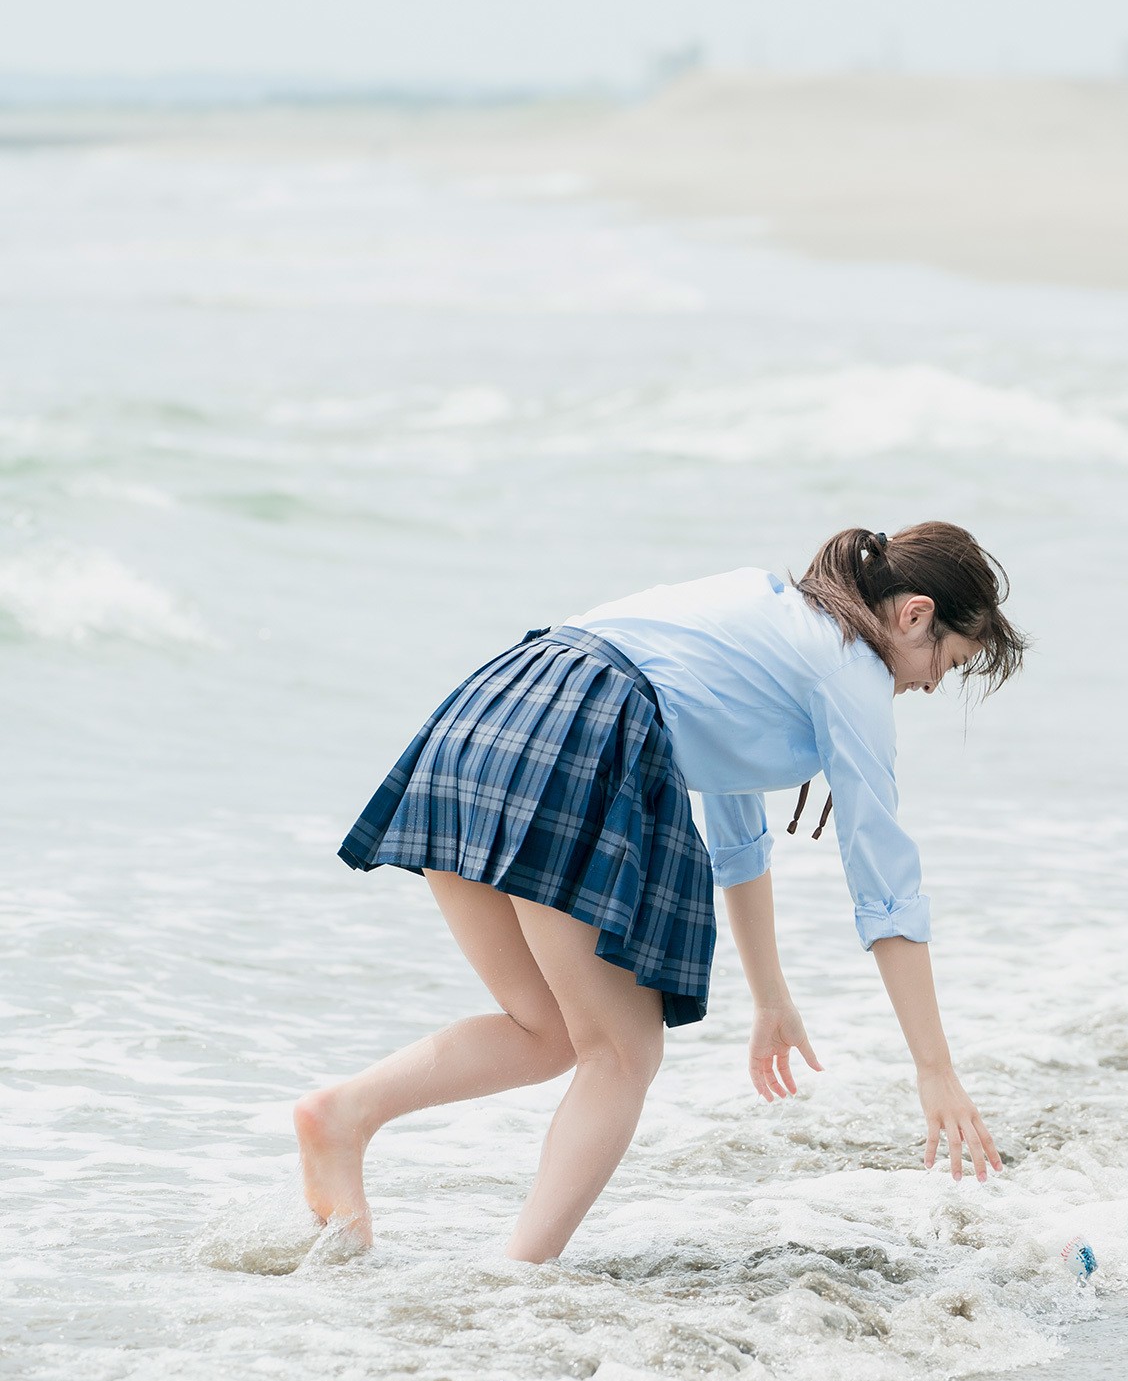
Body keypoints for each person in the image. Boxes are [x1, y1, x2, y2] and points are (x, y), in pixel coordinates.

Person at [296, 522, 1026, 1260]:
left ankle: (346, 1113)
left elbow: (739, 838)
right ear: (914, 614)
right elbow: (885, 885)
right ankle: (517, 1276)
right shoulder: (850, 672)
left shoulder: (774, 614)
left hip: (489, 712)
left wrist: (770, 998)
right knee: (622, 1052)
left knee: (546, 1029)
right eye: (949, 660)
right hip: (580, 728)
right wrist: (936, 1073)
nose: (934, 683)